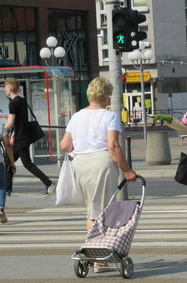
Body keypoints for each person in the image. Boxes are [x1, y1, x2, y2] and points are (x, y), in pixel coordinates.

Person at [60, 77, 137, 272]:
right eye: (109, 94)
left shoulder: (77, 116)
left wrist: (82, 146)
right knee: (101, 211)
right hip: (101, 163)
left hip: (79, 163)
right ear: (104, 96)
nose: (110, 98)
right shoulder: (109, 116)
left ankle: (97, 256)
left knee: (93, 209)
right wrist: (127, 171)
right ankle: (98, 258)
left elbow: (64, 145)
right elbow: (113, 146)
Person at [3, 78, 55, 195]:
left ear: (10, 89)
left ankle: (48, 183)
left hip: (20, 140)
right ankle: (7, 189)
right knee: (8, 161)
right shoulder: (22, 101)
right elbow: (21, 122)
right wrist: (12, 135)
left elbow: (11, 123)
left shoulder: (13, 103)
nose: (5, 89)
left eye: (5, 87)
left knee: (26, 163)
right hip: (21, 137)